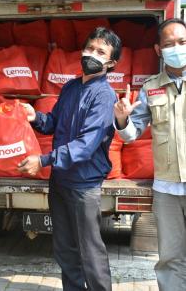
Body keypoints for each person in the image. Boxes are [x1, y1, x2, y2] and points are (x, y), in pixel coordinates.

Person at [19, 27, 122, 291]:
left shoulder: (105, 96)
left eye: (100, 52)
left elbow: (85, 146)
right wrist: (35, 117)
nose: (92, 54)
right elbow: (54, 122)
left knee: (90, 251)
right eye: (89, 48)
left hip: (84, 186)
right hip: (61, 181)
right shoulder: (71, 87)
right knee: (64, 248)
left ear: (111, 63)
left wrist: (42, 160)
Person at [114, 18, 186, 291]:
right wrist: (122, 119)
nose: (176, 48)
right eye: (169, 44)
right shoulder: (150, 88)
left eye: (182, 42)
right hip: (167, 190)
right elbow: (132, 134)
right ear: (158, 50)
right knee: (170, 258)